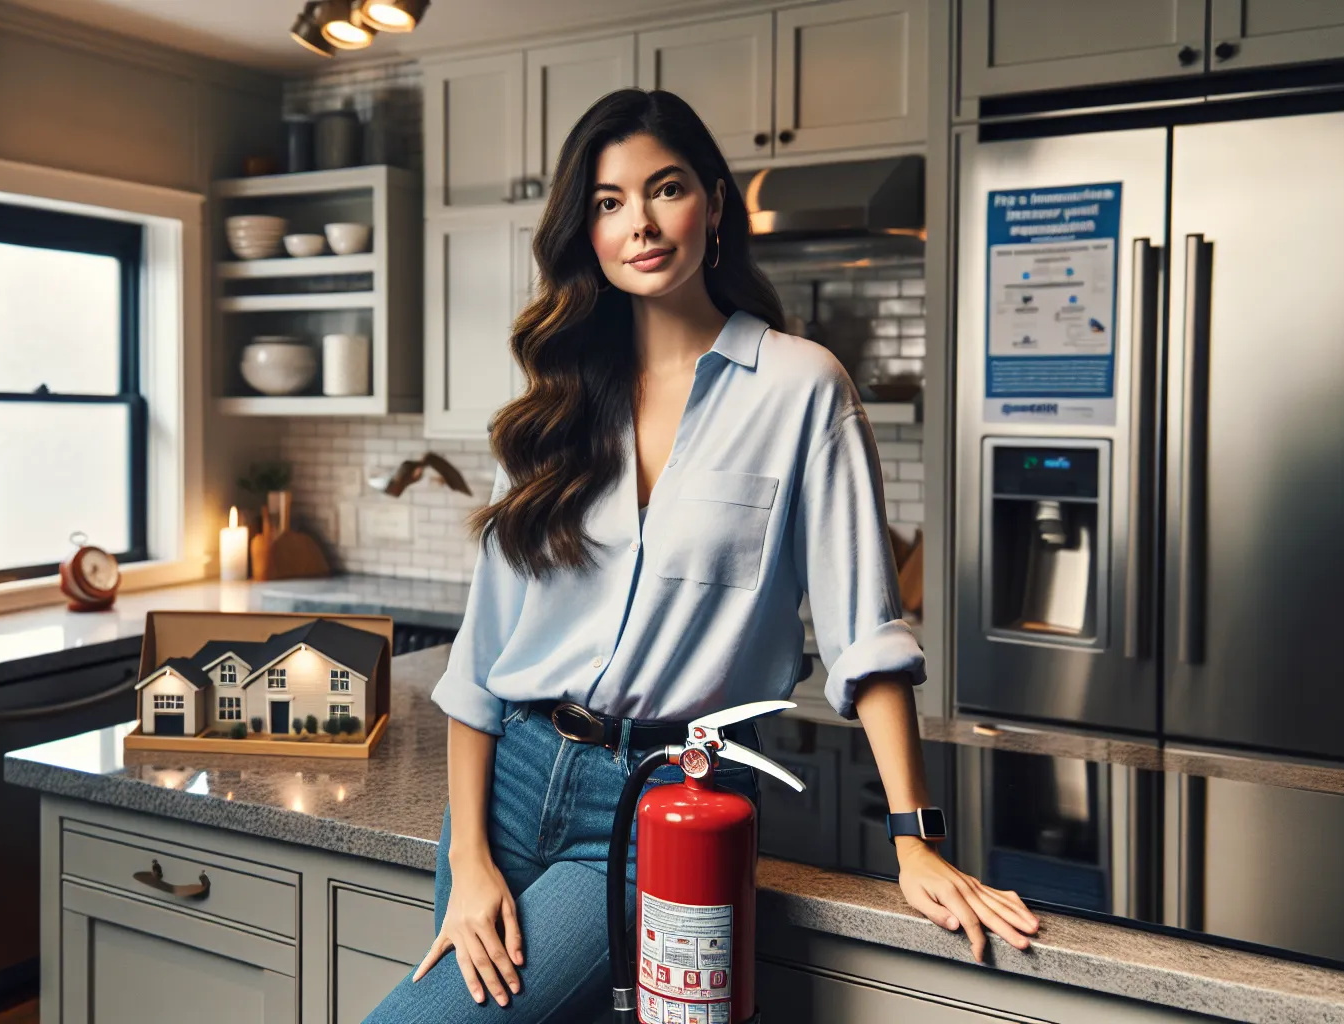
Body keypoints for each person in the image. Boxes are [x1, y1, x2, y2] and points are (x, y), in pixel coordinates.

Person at [363, 89, 1038, 1023]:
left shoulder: (801, 387)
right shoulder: (555, 402)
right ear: (584, 230)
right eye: (606, 203)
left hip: (667, 801)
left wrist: (914, 838)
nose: (638, 223)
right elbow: (482, 663)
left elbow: (866, 638)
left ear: (715, 205)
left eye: (665, 189)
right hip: (507, 786)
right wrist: (470, 856)